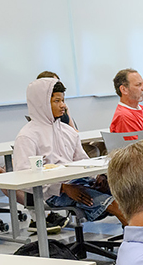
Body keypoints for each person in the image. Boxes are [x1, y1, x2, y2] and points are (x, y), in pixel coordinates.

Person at [14, 77, 127, 227]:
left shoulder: (67, 131)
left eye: (63, 100)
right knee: (117, 206)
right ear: (41, 104)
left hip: (79, 182)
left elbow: (82, 160)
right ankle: (139, 244)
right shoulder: (28, 136)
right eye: (57, 101)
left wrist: (98, 177)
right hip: (53, 193)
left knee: (129, 196)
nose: (63, 106)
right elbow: (24, 177)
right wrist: (62, 188)